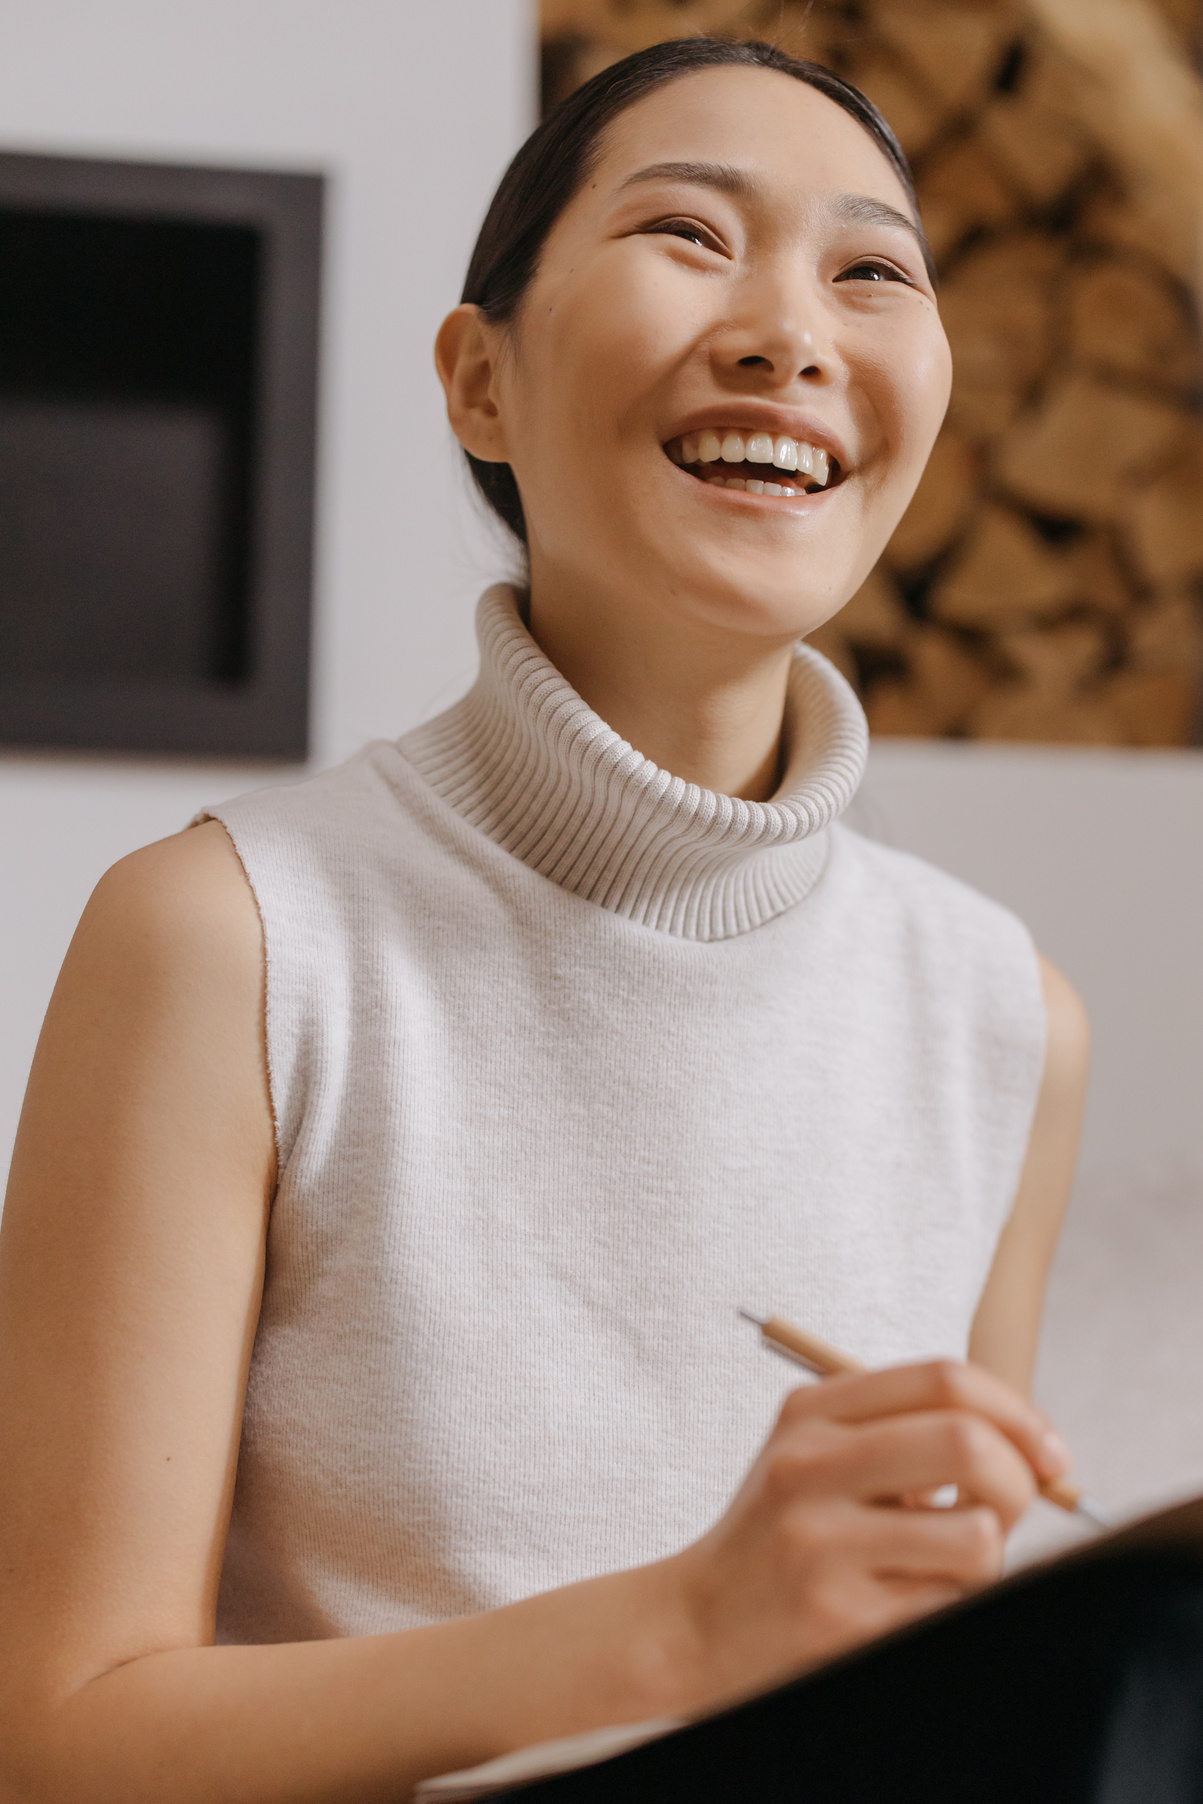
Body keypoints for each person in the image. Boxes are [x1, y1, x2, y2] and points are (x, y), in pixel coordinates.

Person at [0, 37, 1090, 1804]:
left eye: (870, 269)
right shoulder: (229, 940)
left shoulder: (1002, 1015)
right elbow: (58, 1740)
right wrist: (674, 1632)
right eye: (687, 233)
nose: (789, 332)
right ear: (477, 382)